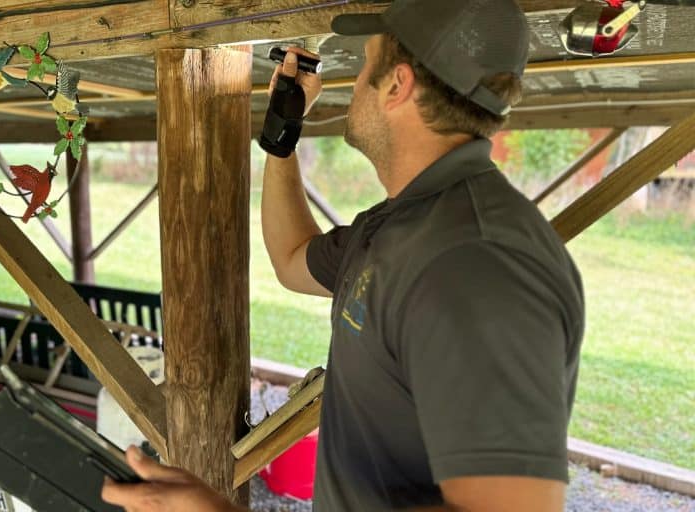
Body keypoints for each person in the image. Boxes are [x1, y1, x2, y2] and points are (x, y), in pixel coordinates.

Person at [103, 0, 585, 509]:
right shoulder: (408, 223)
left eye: (363, 67)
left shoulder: (476, 263)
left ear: (397, 86)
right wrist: (281, 134)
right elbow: (292, 259)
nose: (353, 85)